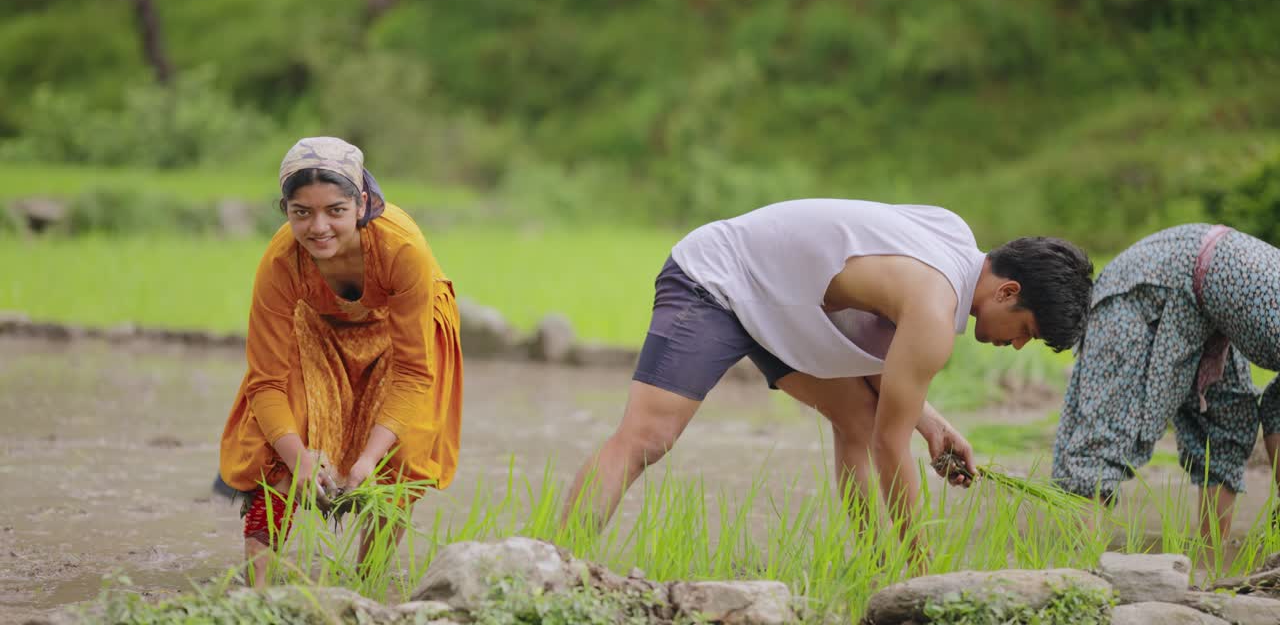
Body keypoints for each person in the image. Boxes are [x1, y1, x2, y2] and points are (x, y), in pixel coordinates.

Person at [563, 199, 1093, 556]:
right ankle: (552, 562)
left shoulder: (952, 236)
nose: (1017, 344)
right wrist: (923, 569)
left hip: (780, 305)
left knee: (857, 419)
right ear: (1007, 291)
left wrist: (930, 426)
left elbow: (881, 363)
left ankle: (874, 567)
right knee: (648, 438)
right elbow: (892, 447)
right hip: (717, 278)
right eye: (1026, 329)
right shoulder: (935, 310)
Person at [217, 137, 463, 585]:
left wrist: (368, 458)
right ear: (285, 210)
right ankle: (258, 590)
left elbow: (412, 372)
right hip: (318, 324)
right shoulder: (280, 261)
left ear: (362, 203)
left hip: (400, 334)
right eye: (302, 213)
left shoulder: (401, 247)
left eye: (335, 210)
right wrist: (299, 457)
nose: (319, 227)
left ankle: (366, 583)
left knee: (404, 450)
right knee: (274, 436)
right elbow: (266, 381)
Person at [1053, 224, 1280, 547]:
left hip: (1207, 286)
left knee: (1228, 418)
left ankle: (1210, 550)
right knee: (1106, 425)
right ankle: (1078, 563)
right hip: (1151, 277)